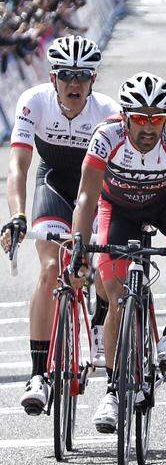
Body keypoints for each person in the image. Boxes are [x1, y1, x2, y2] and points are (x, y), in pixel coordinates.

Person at [70, 73, 166, 433]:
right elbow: (86, 197)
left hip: (165, 206)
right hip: (118, 209)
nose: (149, 127)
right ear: (124, 117)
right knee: (118, 297)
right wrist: (79, 246)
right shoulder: (106, 135)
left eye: (156, 118)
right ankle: (112, 390)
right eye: (140, 117)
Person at [1, 35, 119, 415]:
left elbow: (115, 178)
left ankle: (100, 323)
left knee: (102, 266)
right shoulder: (34, 101)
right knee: (50, 269)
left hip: (96, 190)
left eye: (82, 76)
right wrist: (17, 215)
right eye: (66, 75)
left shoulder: (107, 110)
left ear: (93, 80)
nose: (73, 83)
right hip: (51, 184)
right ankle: (38, 374)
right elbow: (18, 166)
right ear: (53, 79)